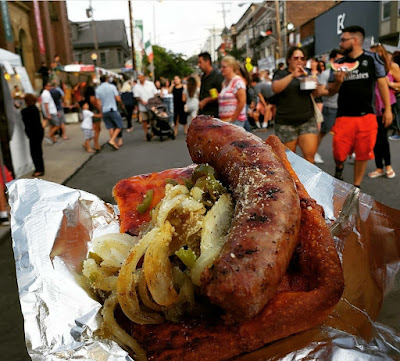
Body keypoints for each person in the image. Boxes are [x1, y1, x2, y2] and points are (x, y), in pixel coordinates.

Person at [327, 25, 392, 188]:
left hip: (367, 115)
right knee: (338, 152)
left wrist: (388, 109)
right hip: (343, 115)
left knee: (363, 153)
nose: (340, 43)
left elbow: (383, 84)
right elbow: (330, 90)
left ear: (355, 41)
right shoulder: (338, 63)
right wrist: (337, 82)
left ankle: (357, 186)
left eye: (343, 40)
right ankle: (339, 167)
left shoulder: (372, 59)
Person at [271, 46, 319, 163]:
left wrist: (313, 81)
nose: (299, 61)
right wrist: (293, 75)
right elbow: (275, 88)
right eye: (296, 58)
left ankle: (306, 182)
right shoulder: (281, 74)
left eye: (302, 58)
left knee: (309, 160)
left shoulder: (306, 74)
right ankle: (292, 182)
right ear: (289, 60)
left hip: (306, 120)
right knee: (288, 162)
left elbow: (316, 93)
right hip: (285, 123)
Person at [367, 43, 399, 179]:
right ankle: (379, 167)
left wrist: (389, 83)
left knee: (382, 137)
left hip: (386, 107)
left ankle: (388, 166)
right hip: (371, 107)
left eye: (376, 54)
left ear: (382, 53)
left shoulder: (392, 66)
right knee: (375, 138)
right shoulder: (369, 67)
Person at [314, 49, 343, 164]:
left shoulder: (347, 72)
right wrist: (336, 87)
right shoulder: (326, 74)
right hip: (329, 107)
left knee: (346, 133)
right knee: (322, 132)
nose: (342, 62)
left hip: (343, 107)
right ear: (332, 60)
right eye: (339, 59)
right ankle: (313, 152)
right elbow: (320, 92)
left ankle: (350, 153)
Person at [95, 75, 124, 150]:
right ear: (107, 79)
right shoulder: (112, 87)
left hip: (104, 110)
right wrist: (121, 103)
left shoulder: (97, 89)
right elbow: (117, 98)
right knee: (119, 125)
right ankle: (112, 140)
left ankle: (113, 142)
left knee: (110, 127)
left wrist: (100, 111)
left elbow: (98, 102)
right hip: (112, 108)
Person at [218, 55, 246, 127]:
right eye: (221, 67)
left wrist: (233, 118)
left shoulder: (238, 82)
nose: (221, 69)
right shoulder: (224, 82)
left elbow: (242, 102)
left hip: (235, 122)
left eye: (224, 67)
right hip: (224, 121)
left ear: (231, 67)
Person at [21, 93, 45, 177]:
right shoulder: (35, 108)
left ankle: (39, 170)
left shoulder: (26, 111)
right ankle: (40, 168)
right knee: (38, 151)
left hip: (33, 133)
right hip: (39, 131)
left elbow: (24, 117)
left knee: (35, 152)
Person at [198, 52, 223, 117]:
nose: (199, 65)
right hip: (203, 112)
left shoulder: (217, 76)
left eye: (200, 62)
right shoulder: (203, 76)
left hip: (213, 114)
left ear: (207, 62)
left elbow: (221, 95)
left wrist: (206, 100)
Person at [134, 72, 158, 141]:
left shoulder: (150, 84)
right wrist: (142, 101)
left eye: (141, 77)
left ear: (144, 77)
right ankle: (146, 134)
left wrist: (152, 101)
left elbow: (155, 93)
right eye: (139, 77)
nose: (140, 78)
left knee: (153, 119)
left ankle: (153, 132)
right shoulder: (136, 86)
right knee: (144, 120)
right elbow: (136, 96)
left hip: (152, 106)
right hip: (142, 106)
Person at [83, 78, 102, 150]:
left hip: (90, 112)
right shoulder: (92, 96)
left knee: (93, 129)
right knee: (97, 129)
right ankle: (96, 144)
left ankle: (86, 143)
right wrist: (100, 110)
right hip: (94, 112)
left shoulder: (86, 96)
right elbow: (95, 103)